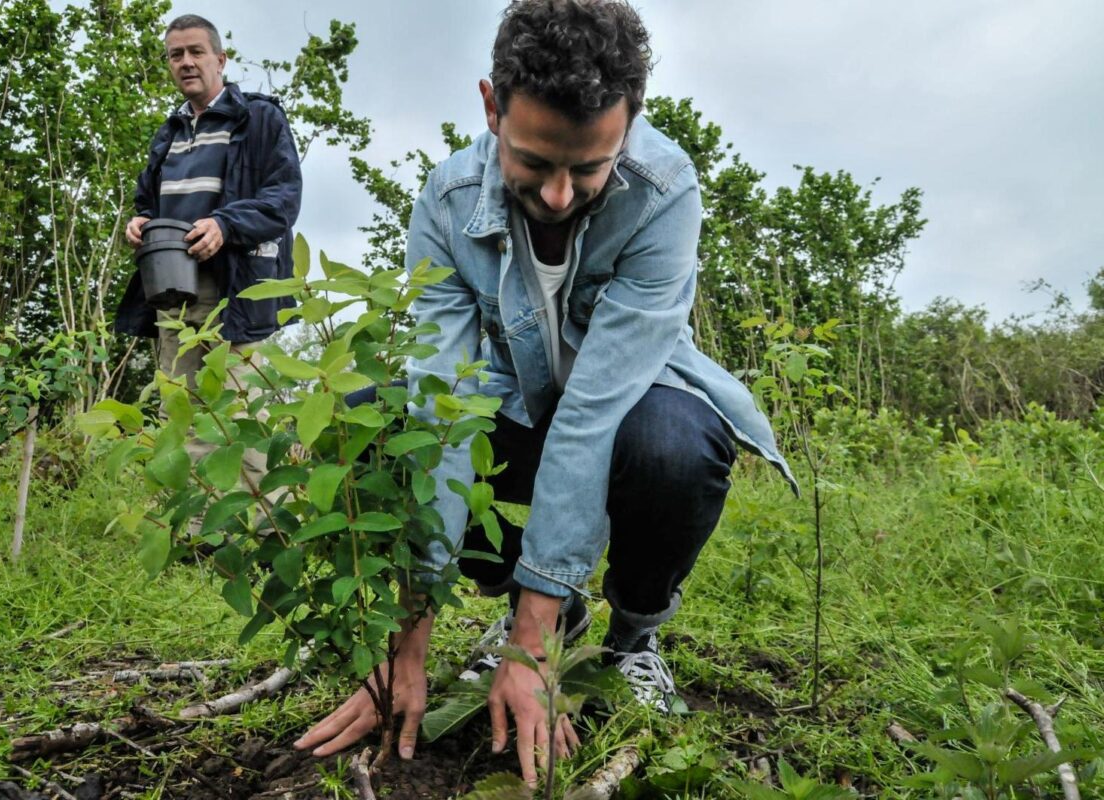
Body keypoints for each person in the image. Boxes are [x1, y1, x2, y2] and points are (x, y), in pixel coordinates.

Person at [296, 0, 796, 783]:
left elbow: (594, 412)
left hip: (630, 412)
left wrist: (533, 651)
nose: (560, 195)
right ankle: (542, 609)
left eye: (588, 168)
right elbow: (443, 404)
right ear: (492, 107)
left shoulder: (663, 192)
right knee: (373, 418)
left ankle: (630, 639)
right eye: (533, 163)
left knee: (673, 445)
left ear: (629, 122)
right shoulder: (449, 201)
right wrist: (409, 631)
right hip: (517, 409)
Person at [115, 14, 302, 495]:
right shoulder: (170, 132)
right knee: (181, 412)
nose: (186, 62)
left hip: (237, 294)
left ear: (220, 59)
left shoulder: (259, 118)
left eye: (196, 51)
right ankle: (199, 536)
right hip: (173, 295)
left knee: (243, 413)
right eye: (176, 54)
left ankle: (261, 531)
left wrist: (225, 224)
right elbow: (147, 201)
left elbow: (283, 200)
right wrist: (140, 221)